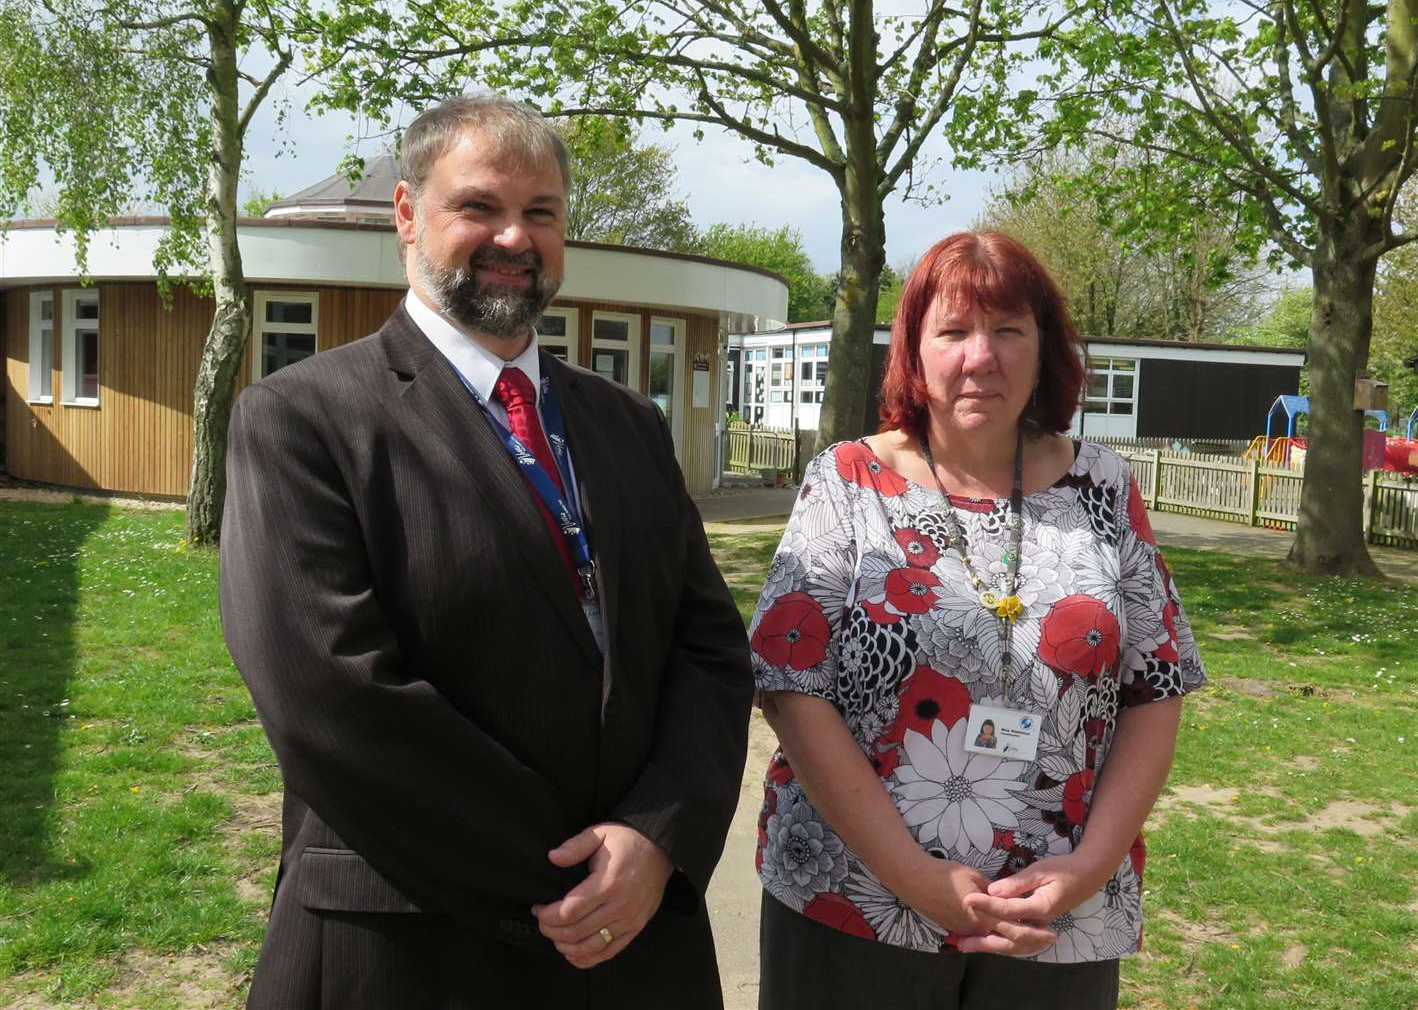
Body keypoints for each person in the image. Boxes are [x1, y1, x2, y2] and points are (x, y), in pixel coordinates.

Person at [220, 94, 753, 1009]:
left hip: (633, 946)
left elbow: (707, 651)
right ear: (406, 214)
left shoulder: (628, 424)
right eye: (479, 207)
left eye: (541, 213)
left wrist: (655, 839)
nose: (515, 235)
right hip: (414, 944)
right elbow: (332, 695)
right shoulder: (301, 419)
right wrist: (569, 872)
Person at [749, 230, 1205, 1009]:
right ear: (914, 351)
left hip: (1055, 917)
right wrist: (914, 879)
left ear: (1044, 347)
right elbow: (793, 689)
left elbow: (1156, 687)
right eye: (953, 331)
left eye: (1007, 330)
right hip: (853, 901)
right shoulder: (847, 481)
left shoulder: (1105, 485)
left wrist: (1085, 871)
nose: (980, 356)